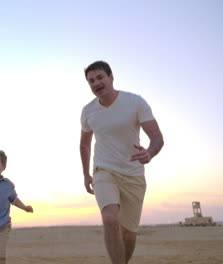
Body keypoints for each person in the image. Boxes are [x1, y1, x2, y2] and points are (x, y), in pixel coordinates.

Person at [80, 61, 164, 264]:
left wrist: (150, 153)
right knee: (110, 219)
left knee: (129, 234)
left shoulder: (134, 102)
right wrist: (86, 174)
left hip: (133, 174)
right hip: (104, 170)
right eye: (91, 80)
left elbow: (157, 138)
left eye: (100, 77)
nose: (96, 83)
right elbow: (84, 145)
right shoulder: (88, 111)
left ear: (111, 77)